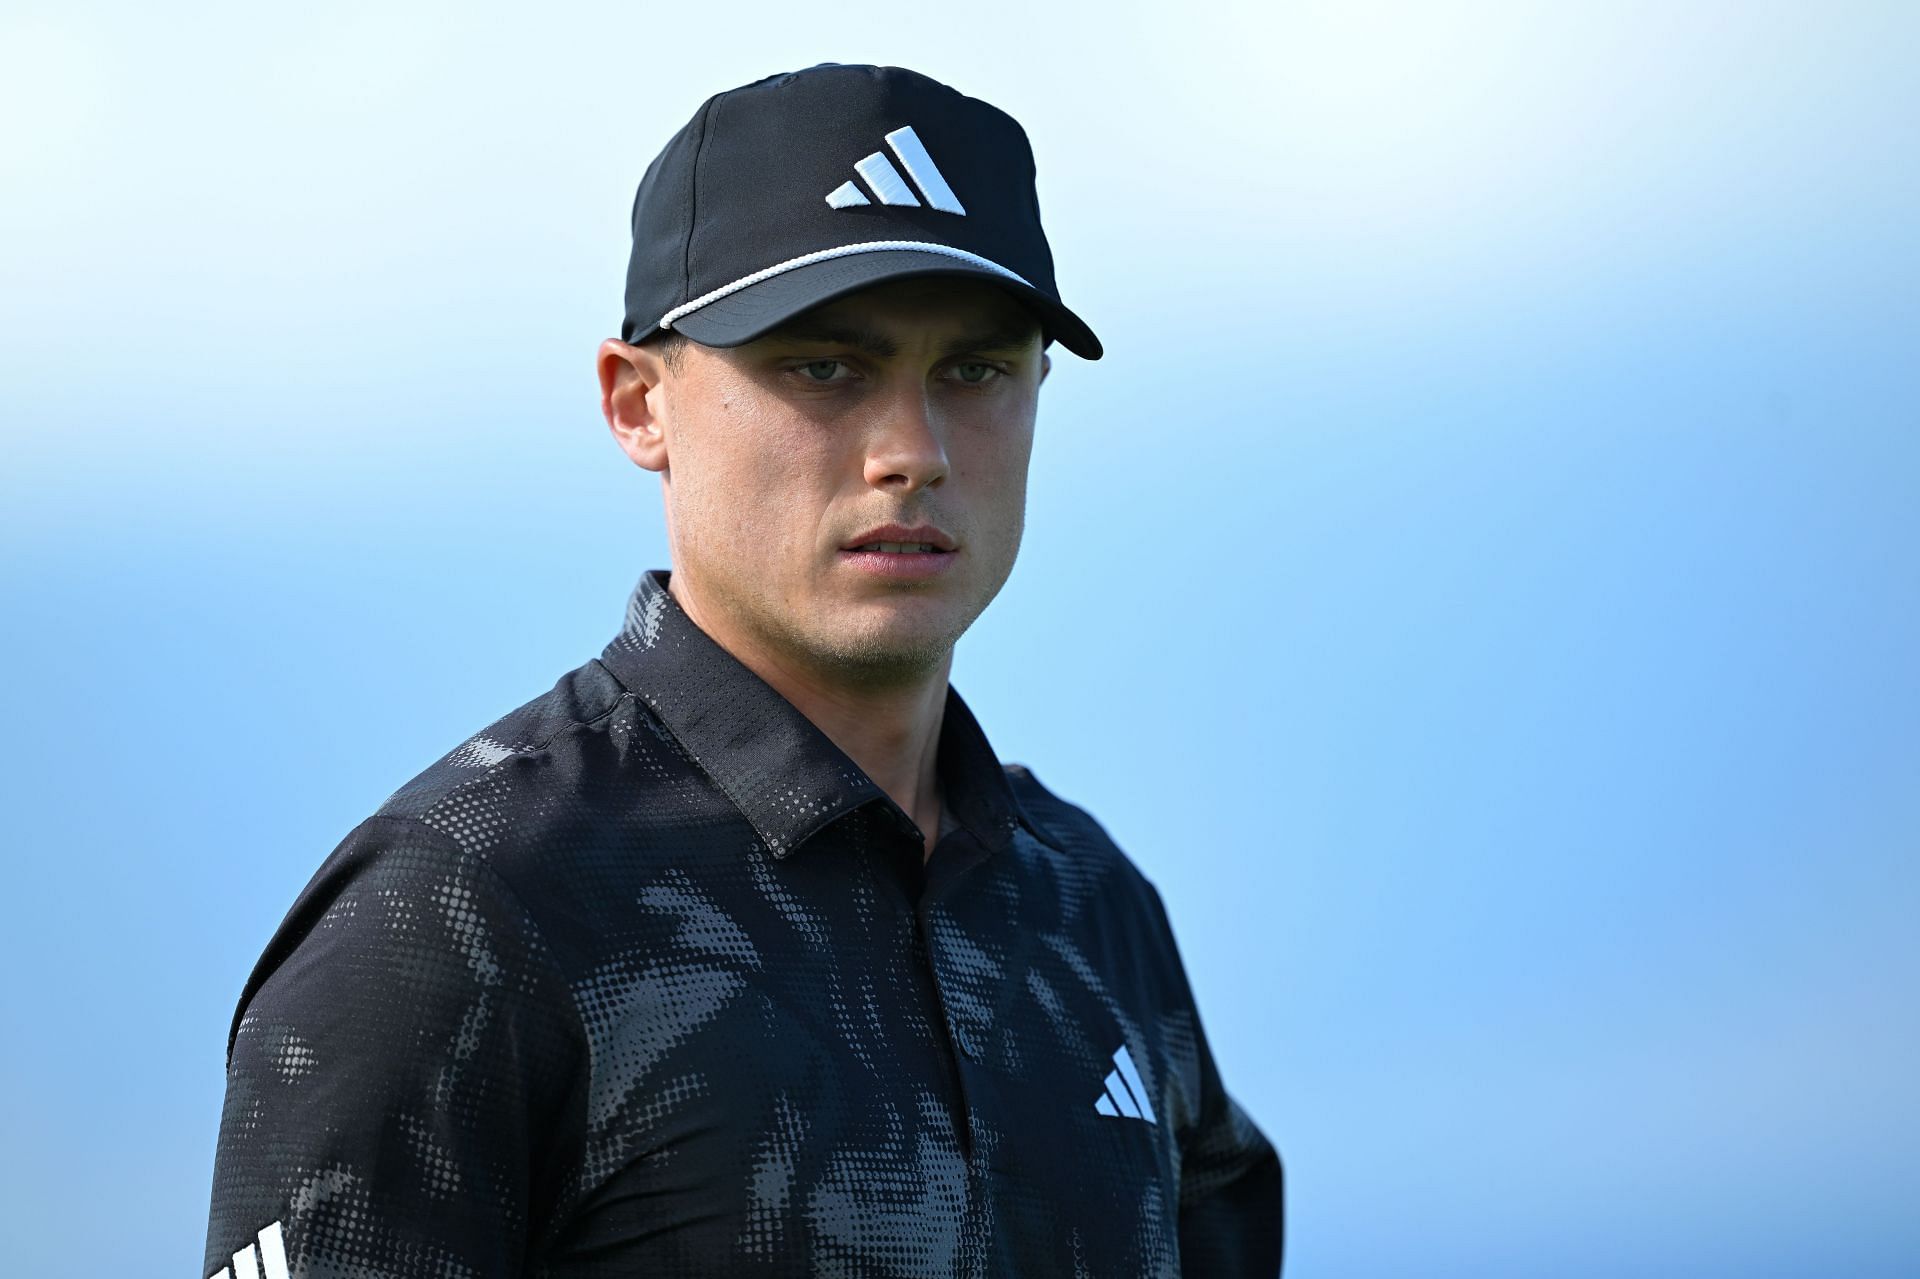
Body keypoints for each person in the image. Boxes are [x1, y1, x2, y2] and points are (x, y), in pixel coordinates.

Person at [202, 62, 1282, 1278]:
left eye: (974, 369)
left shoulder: (1092, 908)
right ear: (637, 403)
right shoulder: (462, 912)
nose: (911, 452)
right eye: (824, 366)